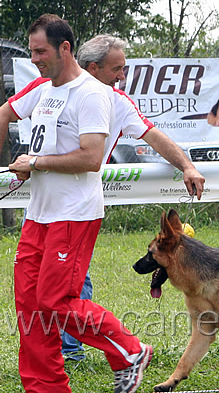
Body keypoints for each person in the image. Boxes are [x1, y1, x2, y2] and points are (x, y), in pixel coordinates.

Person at [1, 14, 152, 393]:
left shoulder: (91, 94)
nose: (35, 59)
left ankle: (130, 350)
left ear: (64, 48)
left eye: (41, 52)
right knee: (30, 302)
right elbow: (3, 113)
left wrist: (34, 162)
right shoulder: (44, 89)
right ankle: (48, 392)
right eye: (32, 51)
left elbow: (90, 158)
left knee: (55, 300)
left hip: (74, 214)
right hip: (40, 214)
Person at [58, 34, 206, 360]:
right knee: (47, 284)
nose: (122, 76)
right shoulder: (52, 89)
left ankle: (98, 350)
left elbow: (154, 136)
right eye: (118, 69)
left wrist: (187, 166)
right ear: (93, 68)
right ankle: (63, 352)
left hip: (75, 207)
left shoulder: (116, 102)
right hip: (41, 205)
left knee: (70, 281)